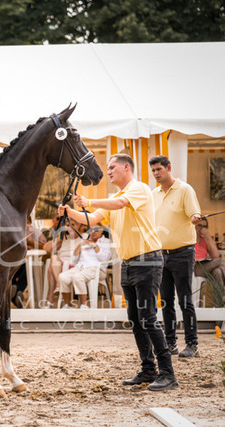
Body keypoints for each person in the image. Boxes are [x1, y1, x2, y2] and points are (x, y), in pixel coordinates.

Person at [59, 153, 177, 391]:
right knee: (135, 320)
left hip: (147, 261)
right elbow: (93, 219)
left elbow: (120, 204)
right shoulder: (115, 198)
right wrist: (70, 212)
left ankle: (168, 373)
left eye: (112, 167)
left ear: (126, 168)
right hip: (128, 263)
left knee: (148, 318)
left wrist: (89, 201)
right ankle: (149, 370)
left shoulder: (138, 189)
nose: (109, 171)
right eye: (108, 168)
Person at [150, 155, 202, 358]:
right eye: (153, 171)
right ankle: (170, 344)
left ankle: (192, 344)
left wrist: (195, 217)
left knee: (185, 300)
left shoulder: (185, 190)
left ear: (168, 168)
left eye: (159, 169)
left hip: (183, 254)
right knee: (166, 302)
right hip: (160, 255)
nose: (156, 173)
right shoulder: (153, 194)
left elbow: (193, 214)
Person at [57, 226, 111, 309]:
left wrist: (95, 246)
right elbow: (74, 259)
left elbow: (105, 258)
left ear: (102, 230)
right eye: (91, 230)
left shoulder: (106, 242)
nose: (94, 232)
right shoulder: (85, 240)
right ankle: (68, 305)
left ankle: (83, 305)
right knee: (62, 277)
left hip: (97, 269)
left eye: (96, 230)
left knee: (78, 277)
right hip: (80, 267)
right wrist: (79, 246)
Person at [194, 217, 225, 306]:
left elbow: (215, 256)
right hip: (195, 267)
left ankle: (220, 302)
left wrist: (208, 237)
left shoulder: (204, 240)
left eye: (205, 226)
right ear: (194, 226)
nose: (202, 229)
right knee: (222, 260)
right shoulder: (189, 239)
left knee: (218, 272)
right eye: (200, 225)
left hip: (205, 266)